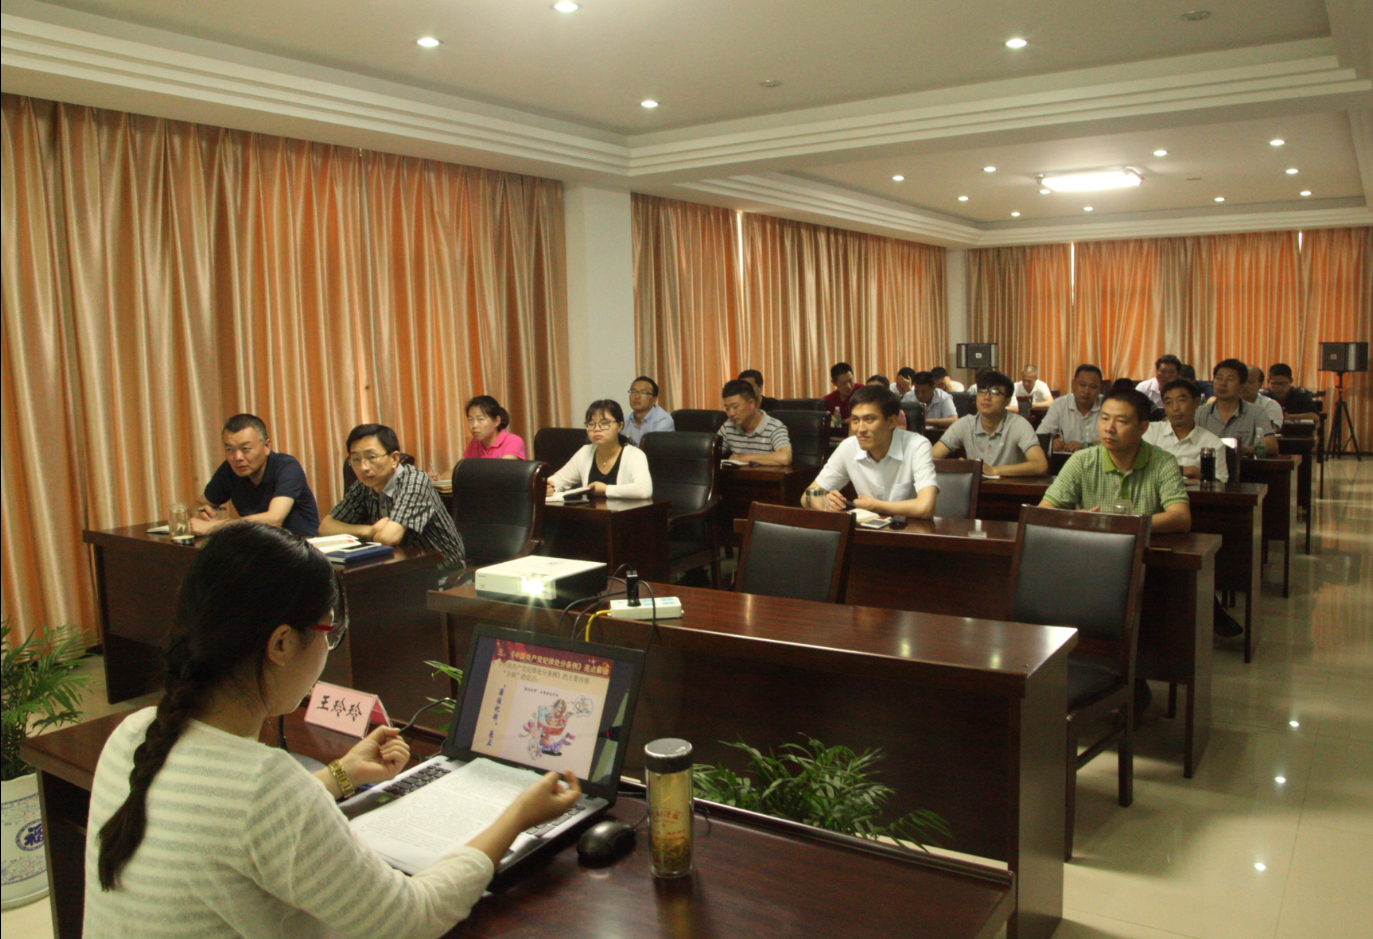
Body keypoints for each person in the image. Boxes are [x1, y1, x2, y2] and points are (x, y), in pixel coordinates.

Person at [85, 522, 581, 939]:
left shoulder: (134, 734)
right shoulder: (265, 789)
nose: (329, 650)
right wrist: (517, 816)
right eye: (330, 632)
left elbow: (229, 820)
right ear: (281, 644)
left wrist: (342, 774)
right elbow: (413, 917)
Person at [1039, 389, 1191, 534]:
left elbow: (1181, 518)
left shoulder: (1163, 462)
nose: (1109, 428)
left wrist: (1117, 525)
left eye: (1121, 421)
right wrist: (1074, 519)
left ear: (1143, 427)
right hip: (1092, 547)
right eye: (1104, 419)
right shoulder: (1082, 461)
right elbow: (1043, 511)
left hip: (1144, 549)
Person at [319, 424, 465, 567]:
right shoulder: (363, 486)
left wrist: (373, 533)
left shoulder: (414, 480)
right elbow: (326, 527)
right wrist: (369, 530)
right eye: (356, 459)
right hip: (397, 564)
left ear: (394, 459)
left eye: (371, 457)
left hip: (442, 568)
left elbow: (388, 538)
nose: (363, 467)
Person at [803, 385, 938, 518]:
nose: (860, 429)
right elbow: (807, 497)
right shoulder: (848, 447)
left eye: (869, 419)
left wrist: (875, 506)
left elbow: (926, 507)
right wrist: (825, 504)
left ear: (891, 422)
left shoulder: (917, 446)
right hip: (867, 527)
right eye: (855, 420)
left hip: (910, 527)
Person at [193, 414, 320, 537]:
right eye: (229, 450)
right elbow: (199, 504)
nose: (237, 457)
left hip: (300, 544)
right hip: (258, 544)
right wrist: (201, 513)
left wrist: (214, 526)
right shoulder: (229, 469)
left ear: (266, 446)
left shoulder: (287, 467)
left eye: (246, 448)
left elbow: (274, 519)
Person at [932, 369, 1048, 476]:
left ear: (1007, 401)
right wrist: (957, 466)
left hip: (1010, 489)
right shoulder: (965, 424)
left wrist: (995, 470)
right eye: (982, 391)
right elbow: (931, 457)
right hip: (975, 489)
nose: (986, 397)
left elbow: (1040, 465)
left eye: (995, 392)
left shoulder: (1018, 425)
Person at [547, 399, 653, 498]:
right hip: (589, 511)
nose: (597, 429)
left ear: (620, 426)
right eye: (591, 424)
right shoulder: (585, 452)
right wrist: (550, 487)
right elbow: (557, 481)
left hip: (624, 511)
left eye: (604, 423)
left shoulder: (634, 455)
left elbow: (644, 490)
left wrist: (605, 489)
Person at [1143, 378, 1230, 482]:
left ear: (1197, 402)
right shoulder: (1150, 431)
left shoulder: (1213, 444)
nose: (1175, 408)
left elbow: (1220, 484)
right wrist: (1184, 470)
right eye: (1169, 402)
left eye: (1181, 400)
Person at [432, 396, 527, 483]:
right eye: (470, 420)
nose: (474, 425)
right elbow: (458, 471)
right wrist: (440, 478)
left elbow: (503, 473)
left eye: (480, 419)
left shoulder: (513, 441)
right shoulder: (475, 443)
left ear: (496, 421)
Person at [1196, 358, 1278, 456]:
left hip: (1242, 464)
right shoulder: (1199, 413)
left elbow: (1272, 446)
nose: (1222, 384)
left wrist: (1245, 450)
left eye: (1230, 379)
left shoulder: (1257, 412)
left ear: (1241, 387)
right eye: (1219, 378)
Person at [718, 379, 792, 466]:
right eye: (727, 408)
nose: (731, 413)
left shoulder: (774, 427)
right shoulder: (729, 425)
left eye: (735, 407)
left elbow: (785, 457)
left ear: (751, 403)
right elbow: (710, 453)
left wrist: (745, 457)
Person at [1039, 365, 1104, 451]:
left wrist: (1085, 446)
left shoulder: (1107, 405)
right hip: (1067, 457)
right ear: (1073, 384)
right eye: (1082, 385)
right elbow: (1041, 435)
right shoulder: (1060, 404)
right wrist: (1051, 442)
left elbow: (1118, 442)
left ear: (1100, 388)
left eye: (1092, 387)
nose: (1086, 391)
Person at [624, 376, 675, 445]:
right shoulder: (624, 422)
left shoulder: (664, 421)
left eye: (643, 392)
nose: (636, 396)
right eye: (633, 392)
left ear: (654, 399)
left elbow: (654, 447)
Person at [1242, 366, 1283, 433]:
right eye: (1243, 381)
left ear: (1260, 384)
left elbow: (1270, 431)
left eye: (1250, 382)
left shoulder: (1270, 405)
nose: (1245, 385)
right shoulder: (1228, 404)